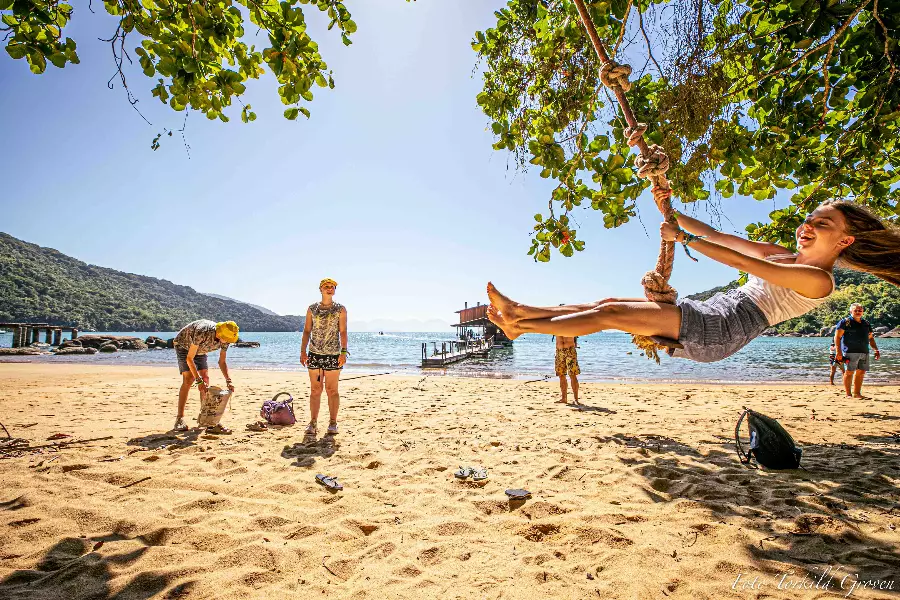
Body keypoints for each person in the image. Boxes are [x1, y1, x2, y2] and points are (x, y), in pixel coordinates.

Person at [486, 196, 900, 363]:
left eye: (822, 224)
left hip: (727, 328)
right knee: (608, 303)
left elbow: (746, 264)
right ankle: (520, 312)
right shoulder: (781, 252)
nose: (808, 226)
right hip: (715, 311)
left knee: (609, 314)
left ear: (844, 240)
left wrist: (683, 239)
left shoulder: (819, 281)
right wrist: (672, 211)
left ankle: (521, 327)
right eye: (809, 219)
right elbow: (720, 237)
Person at [300, 278, 348, 437]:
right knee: (315, 390)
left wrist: (343, 352)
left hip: (333, 355)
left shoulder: (340, 309)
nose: (329, 289)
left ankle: (333, 423)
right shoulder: (312, 309)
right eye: (326, 286)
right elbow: (307, 331)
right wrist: (303, 351)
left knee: (332, 390)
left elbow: (343, 331)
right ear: (320, 289)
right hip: (314, 354)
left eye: (332, 287)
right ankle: (313, 422)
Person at [172, 320, 239, 433]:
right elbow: (189, 359)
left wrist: (228, 380)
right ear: (219, 334)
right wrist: (198, 381)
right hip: (184, 345)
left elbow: (222, 362)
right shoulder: (202, 331)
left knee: (205, 379)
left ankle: (206, 418)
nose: (228, 342)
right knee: (189, 379)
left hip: (200, 350)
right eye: (226, 339)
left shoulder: (226, 339)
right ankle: (179, 418)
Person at [834, 303, 881, 398]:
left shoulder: (866, 323)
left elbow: (871, 338)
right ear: (851, 311)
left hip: (864, 351)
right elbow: (837, 337)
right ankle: (848, 394)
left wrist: (876, 350)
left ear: (862, 312)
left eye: (860, 310)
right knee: (849, 372)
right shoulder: (845, 322)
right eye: (855, 310)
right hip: (849, 351)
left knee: (861, 372)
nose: (858, 312)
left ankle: (857, 394)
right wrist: (838, 352)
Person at [554, 334, 580, 404]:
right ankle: (564, 398)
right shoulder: (555, 326)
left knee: (572, 375)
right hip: (559, 351)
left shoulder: (572, 326)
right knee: (561, 375)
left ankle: (576, 399)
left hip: (570, 350)